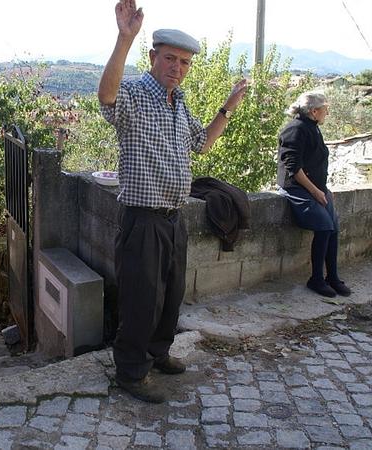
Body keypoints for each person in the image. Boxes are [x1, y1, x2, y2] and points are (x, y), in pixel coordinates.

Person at [98, 0, 247, 403]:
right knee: (141, 301)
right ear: (153, 57)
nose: (177, 68)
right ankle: (129, 372)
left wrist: (228, 108)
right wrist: (123, 38)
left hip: (173, 219)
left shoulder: (178, 102)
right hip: (142, 220)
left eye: (184, 62)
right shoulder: (134, 94)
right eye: (169, 59)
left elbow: (202, 144)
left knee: (169, 295)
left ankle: (157, 353)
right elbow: (107, 96)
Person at [277, 91, 351, 298]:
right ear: (314, 111)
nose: (327, 112)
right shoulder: (295, 129)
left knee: (333, 227)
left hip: (315, 188)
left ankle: (333, 278)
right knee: (324, 226)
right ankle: (316, 279)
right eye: (325, 109)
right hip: (296, 188)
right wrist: (315, 191)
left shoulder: (312, 128)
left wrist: (323, 189)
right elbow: (293, 167)